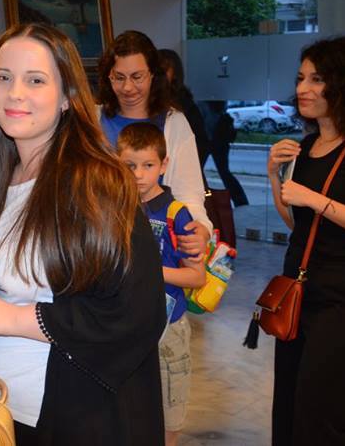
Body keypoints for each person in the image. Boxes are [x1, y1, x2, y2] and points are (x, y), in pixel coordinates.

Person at [0, 23, 167, 444]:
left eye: (35, 80)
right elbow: (2, 291)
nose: (15, 93)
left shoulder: (94, 183)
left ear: (67, 96)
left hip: (69, 417)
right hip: (0, 414)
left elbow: (136, 312)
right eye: (4, 78)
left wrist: (16, 319)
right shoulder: (3, 176)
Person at [267, 36, 345, 445]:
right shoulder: (304, 147)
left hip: (344, 299)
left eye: (317, 79)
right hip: (299, 290)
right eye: (301, 78)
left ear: (344, 84)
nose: (303, 88)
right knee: (290, 400)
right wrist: (274, 176)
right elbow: (297, 223)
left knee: (323, 407)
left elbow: (312, 205)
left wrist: (316, 199)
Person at [117, 122, 206, 446]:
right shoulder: (117, 206)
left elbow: (197, 276)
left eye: (148, 165)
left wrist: (149, 271)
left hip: (169, 328)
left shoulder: (176, 214)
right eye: (130, 165)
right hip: (129, 324)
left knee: (170, 407)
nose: (138, 175)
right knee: (134, 406)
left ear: (164, 165)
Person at [98, 31, 212, 252]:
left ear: (152, 75)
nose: (128, 87)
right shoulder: (92, 119)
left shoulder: (174, 123)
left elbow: (189, 194)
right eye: (119, 77)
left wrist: (201, 228)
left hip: (154, 247)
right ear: (108, 77)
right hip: (103, 243)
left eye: (137, 77)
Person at [159, 48, 210, 168]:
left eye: (163, 70)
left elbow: (201, 145)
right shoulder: (150, 100)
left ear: (174, 73)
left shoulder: (184, 104)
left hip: (180, 169)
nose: (159, 75)